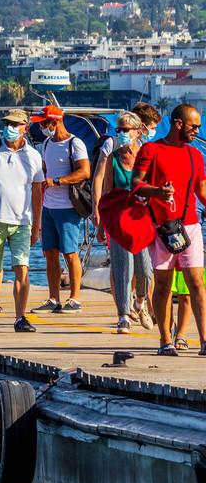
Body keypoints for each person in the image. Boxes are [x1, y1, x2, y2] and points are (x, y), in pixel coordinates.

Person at [132, 104, 206, 356]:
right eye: (193, 126)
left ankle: (205, 341)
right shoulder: (150, 149)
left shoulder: (195, 155)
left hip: (191, 226)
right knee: (162, 285)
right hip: (161, 227)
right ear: (178, 124)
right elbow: (135, 184)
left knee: (196, 282)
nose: (197, 130)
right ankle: (165, 340)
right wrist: (157, 191)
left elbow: (202, 192)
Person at [0, 108, 45, 333]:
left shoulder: (33, 155)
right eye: (7, 124)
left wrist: (36, 226)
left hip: (22, 222)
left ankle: (20, 318)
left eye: (15, 125)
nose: (10, 129)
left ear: (26, 128)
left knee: (22, 269)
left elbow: (37, 192)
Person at [93, 110, 153, 333]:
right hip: (118, 219)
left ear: (138, 132)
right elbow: (107, 191)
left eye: (125, 130)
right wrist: (100, 223)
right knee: (122, 268)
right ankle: (123, 315)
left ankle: (140, 303)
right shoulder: (113, 158)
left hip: (141, 218)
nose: (121, 134)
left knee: (145, 269)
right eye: (118, 130)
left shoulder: (147, 155)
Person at [32, 103, 91, 313]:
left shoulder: (75, 144)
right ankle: (53, 298)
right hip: (48, 207)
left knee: (70, 253)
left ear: (54, 121)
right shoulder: (47, 144)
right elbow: (44, 172)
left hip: (67, 208)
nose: (41, 128)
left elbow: (84, 172)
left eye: (44, 123)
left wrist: (57, 181)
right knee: (50, 253)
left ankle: (74, 298)